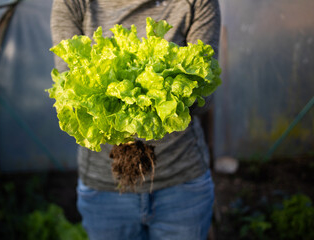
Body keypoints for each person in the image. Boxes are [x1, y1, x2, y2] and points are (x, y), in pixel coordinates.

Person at [50, 0, 221, 239]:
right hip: (105, 189)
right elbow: (71, 91)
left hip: (182, 184)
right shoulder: (74, 2)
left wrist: (147, 99)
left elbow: (204, 88)